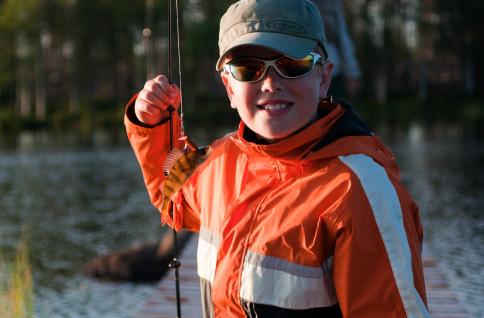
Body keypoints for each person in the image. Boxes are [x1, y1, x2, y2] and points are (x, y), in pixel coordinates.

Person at [124, 0, 429, 317]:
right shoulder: (218, 159)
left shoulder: (360, 191)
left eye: (293, 64)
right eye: (248, 69)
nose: (270, 84)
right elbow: (173, 198)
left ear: (323, 78)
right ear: (229, 88)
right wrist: (153, 125)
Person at [313, 0, 362, 98]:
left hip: (332, 73)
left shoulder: (332, 5)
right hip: (303, 71)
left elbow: (343, 37)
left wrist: (352, 72)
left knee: (334, 109)